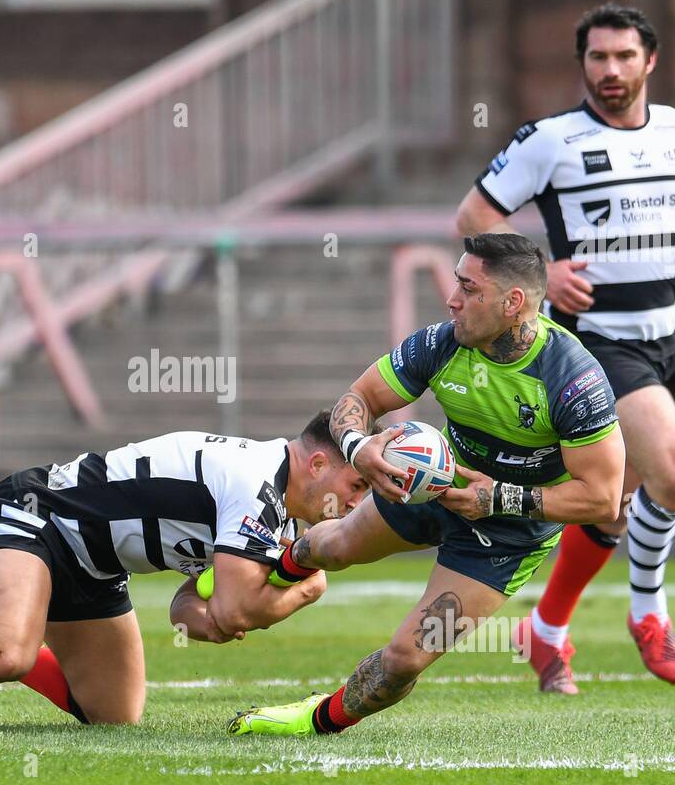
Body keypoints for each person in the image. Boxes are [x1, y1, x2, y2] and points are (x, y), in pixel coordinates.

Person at [453, 3, 675, 692]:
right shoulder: (551, 140)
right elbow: (474, 216)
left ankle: (545, 630)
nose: (611, 70)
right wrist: (539, 275)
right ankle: (648, 617)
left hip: (662, 342)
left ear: (650, 61)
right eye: (598, 57)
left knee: (611, 504)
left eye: (625, 56)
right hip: (592, 345)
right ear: (582, 65)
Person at [227, 233, 625, 736]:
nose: (451, 299)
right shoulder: (441, 343)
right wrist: (358, 447)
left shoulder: (573, 380)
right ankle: (239, 592)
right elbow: (360, 398)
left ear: (513, 302)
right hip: (432, 489)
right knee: (329, 545)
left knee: (403, 661)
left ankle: (309, 721)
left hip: (505, 535)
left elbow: (602, 497)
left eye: (468, 288)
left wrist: (495, 498)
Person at [0, 412, 369, 731]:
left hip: (94, 569)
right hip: (34, 520)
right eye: (356, 483)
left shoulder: (279, 515)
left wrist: (213, 614)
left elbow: (189, 607)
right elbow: (235, 610)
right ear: (317, 462)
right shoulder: (255, 485)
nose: (358, 501)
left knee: (115, 716)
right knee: (6, 656)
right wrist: (307, 588)